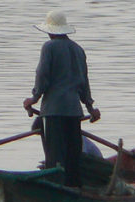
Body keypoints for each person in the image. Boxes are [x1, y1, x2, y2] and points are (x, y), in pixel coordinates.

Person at [23, 10, 100, 187]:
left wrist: (34, 98)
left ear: (50, 31)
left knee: (55, 157)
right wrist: (90, 108)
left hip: (53, 111)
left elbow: (42, 75)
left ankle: (55, 187)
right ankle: (74, 188)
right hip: (74, 112)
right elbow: (84, 82)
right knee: (73, 157)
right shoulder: (78, 50)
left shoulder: (49, 47)